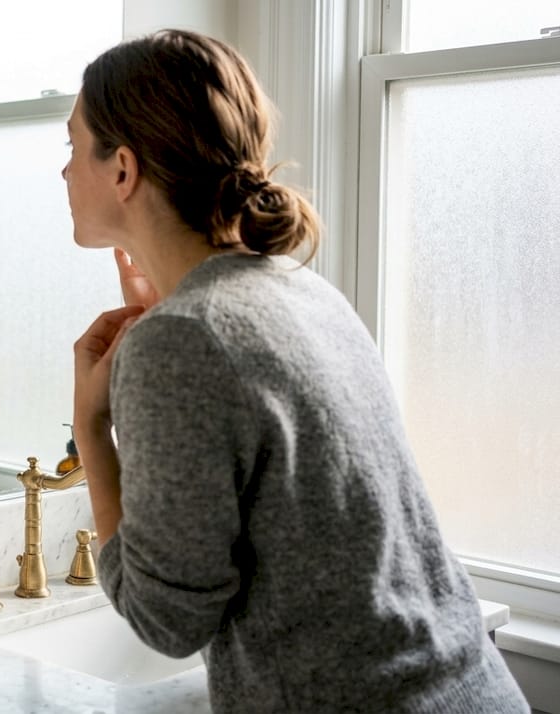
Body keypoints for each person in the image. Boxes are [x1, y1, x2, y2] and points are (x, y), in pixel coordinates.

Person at [65, 30, 527, 712]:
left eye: (72, 148)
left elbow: (166, 620)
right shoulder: (298, 288)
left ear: (124, 169)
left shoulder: (180, 340)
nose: (66, 172)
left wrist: (91, 426)